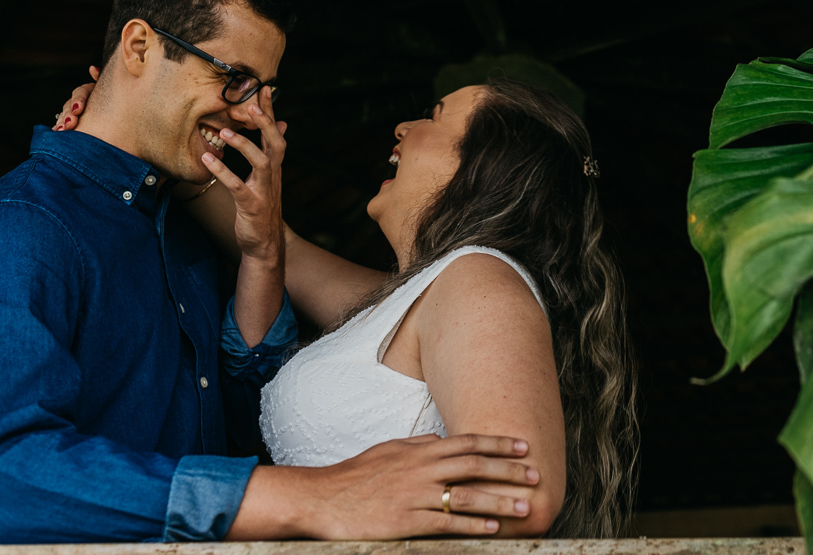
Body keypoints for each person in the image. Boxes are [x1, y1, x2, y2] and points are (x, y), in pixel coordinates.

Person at [0, 0, 542, 543]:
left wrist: (262, 255)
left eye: (265, 91)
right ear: (139, 48)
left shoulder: (183, 227)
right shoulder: (29, 221)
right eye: (233, 78)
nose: (252, 113)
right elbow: (9, 471)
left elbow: (248, 424)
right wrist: (314, 496)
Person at [61, 77, 641, 537]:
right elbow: (273, 244)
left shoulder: (479, 278)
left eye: (434, 116)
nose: (405, 126)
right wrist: (130, 122)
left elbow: (521, 494)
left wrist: (361, 500)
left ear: (480, 165)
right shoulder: (413, 297)